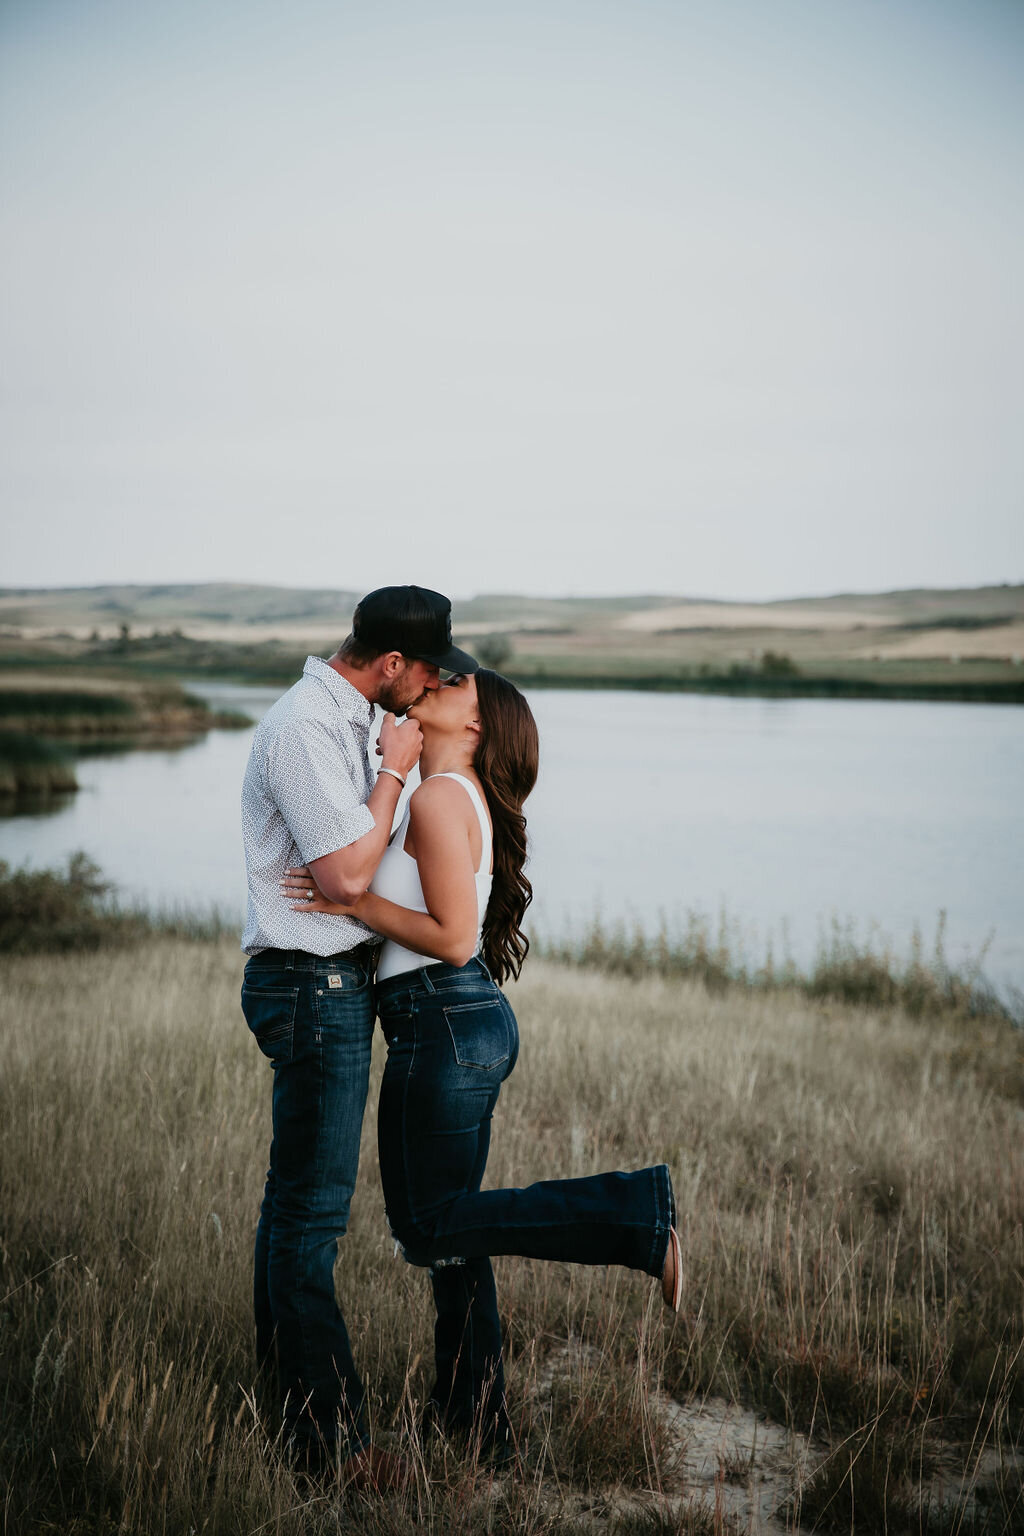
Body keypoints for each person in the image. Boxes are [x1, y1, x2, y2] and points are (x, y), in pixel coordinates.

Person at [282, 667, 682, 1462]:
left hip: (441, 1019)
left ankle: (640, 1217)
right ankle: (478, 1426)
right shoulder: (448, 796)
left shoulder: (439, 798)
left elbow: (455, 936)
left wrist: (354, 900)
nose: (443, 676)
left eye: (459, 680)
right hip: (457, 1020)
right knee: (457, 1234)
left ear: (477, 726)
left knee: (428, 1228)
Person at [240, 584, 479, 1483]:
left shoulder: (358, 719)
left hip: (327, 983)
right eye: (423, 675)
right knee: (312, 1216)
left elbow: (365, 864)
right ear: (389, 665)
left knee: (290, 1203)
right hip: (311, 983)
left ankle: (285, 1400)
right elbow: (343, 873)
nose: (425, 691)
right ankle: (333, 1447)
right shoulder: (307, 725)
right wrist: (391, 773)